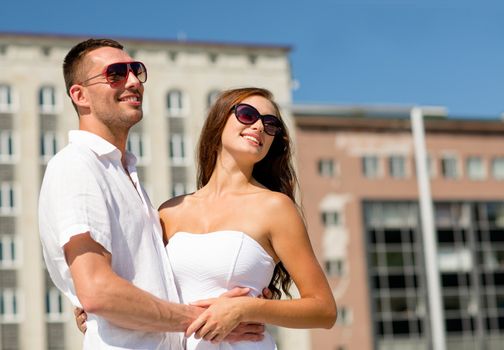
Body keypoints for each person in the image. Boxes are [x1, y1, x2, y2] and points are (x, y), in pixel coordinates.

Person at [39, 38, 264, 350]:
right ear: (79, 95)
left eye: (136, 70)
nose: (133, 81)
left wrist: (241, 299)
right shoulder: (76, 165)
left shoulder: (124, 175)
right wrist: (204, 320)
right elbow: (97, 291)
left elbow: (144, 283)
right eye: (115, 73)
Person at [158, 87, 337, 349]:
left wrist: (245, 309)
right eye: (247, 114)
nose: (259, 127)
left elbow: (324, 310)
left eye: (270, 124)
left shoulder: (275, 208)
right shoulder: (169, 211)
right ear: (219, 121)